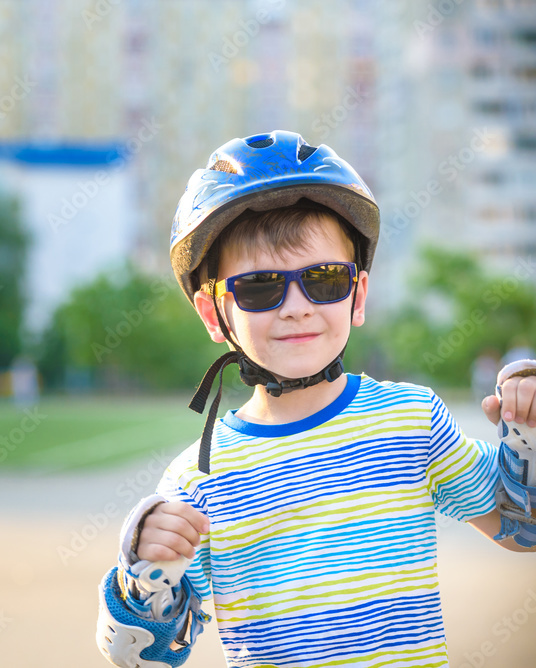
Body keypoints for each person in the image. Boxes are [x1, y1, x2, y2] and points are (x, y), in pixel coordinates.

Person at [95, 131, 536, 667]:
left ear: (358, 294)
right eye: (260, 287)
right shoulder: (196, 482)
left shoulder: (411, 420)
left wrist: (527, 433)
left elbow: (521, 527)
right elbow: (146, 659)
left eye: (324, 279)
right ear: (214, 315)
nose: (297, 307)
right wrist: (143, 571)